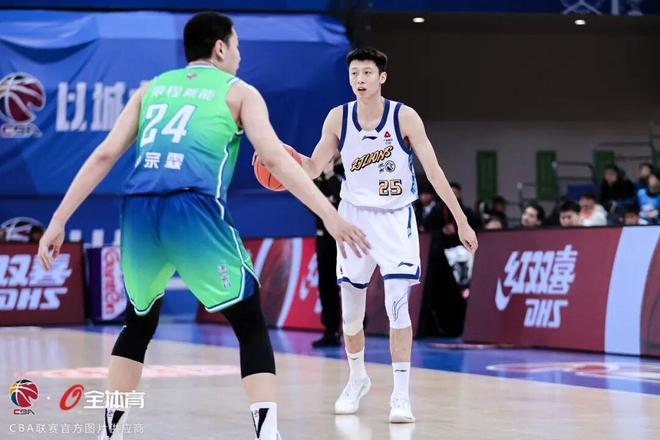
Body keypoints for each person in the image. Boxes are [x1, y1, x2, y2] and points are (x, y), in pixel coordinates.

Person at [37, 12, 369, 440]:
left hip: (138, 212)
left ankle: (108, 433)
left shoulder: (151, 89)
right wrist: (330, 214)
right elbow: (274, 159)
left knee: (138, 322)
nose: (240, 55)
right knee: (249, 321)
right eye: (237, 46)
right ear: (220, 48)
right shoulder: (239, 92)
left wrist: (58, 220)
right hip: (192, 209)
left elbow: (104, 155)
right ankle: (268, 434)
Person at [295, 47, 478, 423]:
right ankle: (357, 379)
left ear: (382, 77)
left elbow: (433, 171)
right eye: (353, 74)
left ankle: (400, 395)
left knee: (398, 308)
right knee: (351, 315)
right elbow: (313, 167)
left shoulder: (404, 116)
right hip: (353, 220)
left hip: (395, 219)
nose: (359, 80)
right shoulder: (338, 117)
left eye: (366, 73)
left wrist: (461, 219)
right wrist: (283, 158)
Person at [312, 159, 344, 348]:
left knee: (351, 283)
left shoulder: (346, 168)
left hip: (344, 237)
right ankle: (331, 330)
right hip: (324, 237)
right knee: (326, 284)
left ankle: (358, 327)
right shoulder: (316, 173)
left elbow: (342, 198)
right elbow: (308, 201)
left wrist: (331, 175)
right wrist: (324, 203)